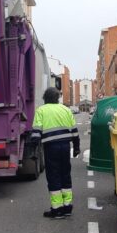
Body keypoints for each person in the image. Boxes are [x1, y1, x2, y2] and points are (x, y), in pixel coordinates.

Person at [32, 87, 80, 219]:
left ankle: (57, 210)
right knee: (65, 175)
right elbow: (74, 131)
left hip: (50, 148)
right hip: (65, 147)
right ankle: (67, 207)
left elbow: (36, 132)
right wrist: (76, 148)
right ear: (57, 98)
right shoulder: (66, 109)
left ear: (45, 98)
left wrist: (34, 151)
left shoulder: (41, 110)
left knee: (54, 176)